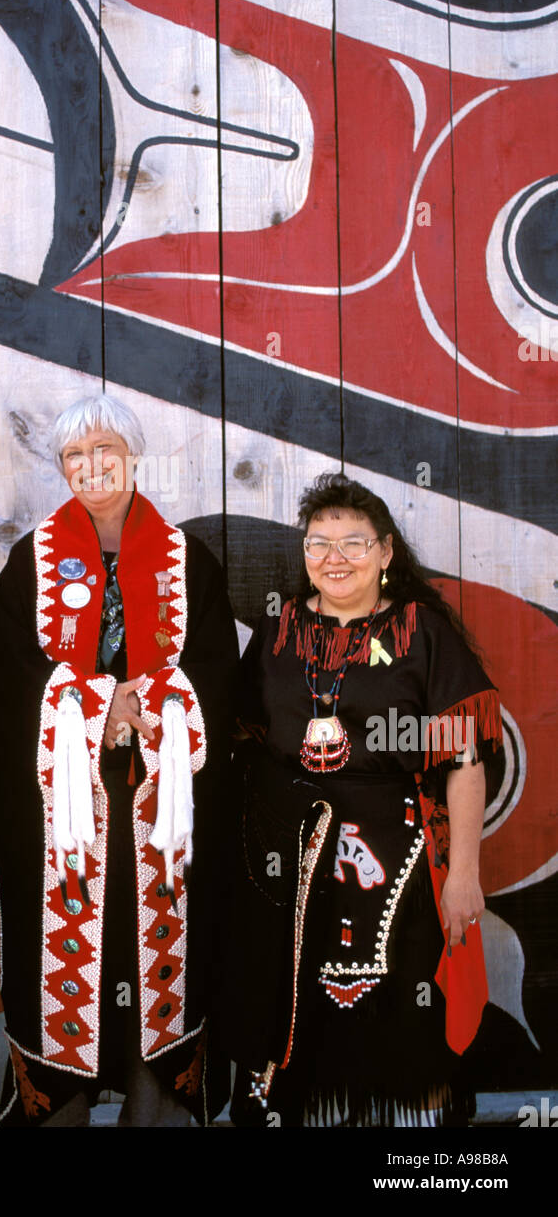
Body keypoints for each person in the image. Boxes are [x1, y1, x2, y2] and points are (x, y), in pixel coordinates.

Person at [0, 394, 238, 1126]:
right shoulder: (28, 562)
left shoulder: (188, 562)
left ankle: (154, 1103)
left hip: (162, 809)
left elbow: (217, 673)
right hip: (66, 815)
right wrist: (100, 707)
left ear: (133, 457)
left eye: (107, 452)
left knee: (151, 956)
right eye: (75, 456)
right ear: (61, 466)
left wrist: (151, 704)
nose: (92, 468)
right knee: (67, 958)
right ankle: (57, 1105)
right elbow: (12, 680)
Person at [226, 472, 502, 1127]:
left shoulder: (420, 633)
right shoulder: (279, 632)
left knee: (409, 1029)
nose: (335, 558)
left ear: (386, 553)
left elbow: (464, 761)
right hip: (290, 867)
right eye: (319, 543)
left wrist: (465, 873)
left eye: (354, 542)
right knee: (301, 1030)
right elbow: (238, 746)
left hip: (401, 860)